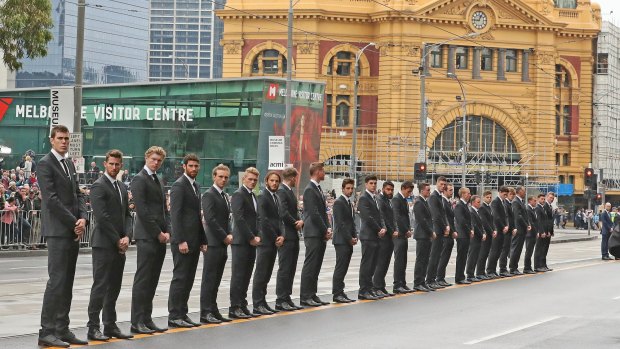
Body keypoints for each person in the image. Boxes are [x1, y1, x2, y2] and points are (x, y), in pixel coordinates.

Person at [37, 125, 89, 348]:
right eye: (60, 138)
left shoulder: (68, 163)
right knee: (56, 281)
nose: (64, 142)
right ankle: (46, 331)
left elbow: (78, 193)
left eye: (67, 138)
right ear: (52, 140)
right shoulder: (45, 164)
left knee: (67, 282)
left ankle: (62, 328)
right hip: (58, 231)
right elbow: (52, 200)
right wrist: (73, 222)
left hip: (72, 230)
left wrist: (83, 218)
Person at [87, 149, 133, 341]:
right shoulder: (98, 186)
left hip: (119, 245)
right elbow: (102, 218)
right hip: (104, 244)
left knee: (114, 287)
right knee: (100, 286)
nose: (114, 167)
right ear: (105, 164)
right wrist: (117, 240)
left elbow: (127, 216)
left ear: (121, 165)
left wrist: (128, 237)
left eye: (117, 164)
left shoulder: (122, 187)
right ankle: (93, 327)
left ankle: (110, 325)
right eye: (111, 164)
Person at [130, 146, 171, 335]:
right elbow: (143, 210)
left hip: (159, 237)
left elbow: (164, 209)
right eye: (153, 159)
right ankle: (137, 320)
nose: (156, 162)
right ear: (146, 158)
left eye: (159, 160)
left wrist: (167, 230)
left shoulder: (158, 180)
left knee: (153, 280)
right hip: (147, 236)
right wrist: (158, 233)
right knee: (143, 279)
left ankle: (147, 318)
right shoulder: (139, 179)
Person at [168, 154, 207, 328]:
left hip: (194, 240)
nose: (194, 169)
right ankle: (174, 315)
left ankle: (183, 312)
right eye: (191, 166)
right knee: (180, 277)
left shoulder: (196, 186)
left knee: (189, 278)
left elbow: (197, 216)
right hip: (183, 241)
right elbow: (175, 215)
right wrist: (180, 240)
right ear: (184, 166)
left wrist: (202, 239)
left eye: (196, 166)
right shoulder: (178, 186)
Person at [200, 164, 233, 324]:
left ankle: (213, 309)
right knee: (209, 278)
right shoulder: (209, 194)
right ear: (214, 177)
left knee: (217, 279)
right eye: (220, 176)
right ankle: (205, 312)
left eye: (226, 177)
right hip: (213, 242)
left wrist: (230, 234)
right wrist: (225, 236)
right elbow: (210, 219)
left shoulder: (224, 196)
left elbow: (226, 219)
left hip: (222, 243)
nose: (223, 179)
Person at [229, 167, 262, 319]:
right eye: (250, 179)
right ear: (244, 179)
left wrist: (258, 236)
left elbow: (257, 219)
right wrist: (251, 237)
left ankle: (242, 303)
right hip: (241, 241)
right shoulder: (238, 194)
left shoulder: (254, 196)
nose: (252, 182)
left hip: (252, 241)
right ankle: (234, 307)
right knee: (238, 275)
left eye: (255, 180)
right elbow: (239, 218)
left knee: (247, 274)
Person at [252, 171, 284, 315]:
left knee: (267, 273)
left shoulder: (276, 197)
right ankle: (257, 303)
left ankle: (263, 302)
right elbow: (264, 220)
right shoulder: (262, 197)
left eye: (277, 181)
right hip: (266, 240)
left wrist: (282, 235)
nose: (274, 183)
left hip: (274, 240)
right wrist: (275, 237)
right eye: (272, 181)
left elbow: (279, 219)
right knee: (261, 273)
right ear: (266, 182)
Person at [299, 162, 331, 307]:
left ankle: (312, 294)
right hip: (313, 232)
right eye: (323, 170)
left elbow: (323, 212)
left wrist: (328, 228)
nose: (324, 173)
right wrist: (325, 229)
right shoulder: (310, 189)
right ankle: (305, 296)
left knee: (316, 265)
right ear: (317, 172)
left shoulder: (317, 188)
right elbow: (314, 213)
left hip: (319, 232)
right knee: (311, 265)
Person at [275, 167, 304, 311]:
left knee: (291, 268)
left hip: (293, 236)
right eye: (295, 178)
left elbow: (293, 211)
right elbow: (283, 212)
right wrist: (296, 222)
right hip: (286, 235)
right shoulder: (282, 191)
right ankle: (281, 298)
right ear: (292, 177)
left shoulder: (290, 192)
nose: (296, 180)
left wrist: (299, 220)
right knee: (285, 268)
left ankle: (287, 296)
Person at [357, 175, 387, 299]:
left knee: (373, 264)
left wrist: (383, 227)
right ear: (366, 184)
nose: (373, 185)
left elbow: (380, 215)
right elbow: (367, 217)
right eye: (371, 183)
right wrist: (379, 229)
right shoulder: (364, 198)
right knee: (367, 264)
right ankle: (363, 290)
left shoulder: (375, 198)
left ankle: (369, 288)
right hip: (368, 235)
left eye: (375, 183)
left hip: (376, 236)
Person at [331, 178, 358, 303]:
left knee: (344, 267)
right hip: (341, 240)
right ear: (342, 189)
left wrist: (354, 235)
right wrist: (349, 238)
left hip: (348, 240)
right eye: (348, 188)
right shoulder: (339, 202)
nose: (350, 190)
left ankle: (341, 291)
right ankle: (337, 293)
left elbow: (351, 222)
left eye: (352, 188)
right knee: (340, 267)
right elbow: (340, 223)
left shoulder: (349, 203)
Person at [373, 181, 397, 296]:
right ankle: (376, 286)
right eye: (388, 189)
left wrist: (395, 229)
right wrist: (392, 231)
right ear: (383, 189)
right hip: (384, 236)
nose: (390, 192)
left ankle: (381, 287)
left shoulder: (389, 201)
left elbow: (392, 218)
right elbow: (383, 217)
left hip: (390, 237)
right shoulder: (379, 199)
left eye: (392, 190)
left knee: (386, 262)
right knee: (381, 262)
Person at [426, 177, 449, 290]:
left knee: (437, 256)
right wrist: (445, 227)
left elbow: (443, 214)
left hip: (441, 230)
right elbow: (436, 215)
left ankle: (434, 279)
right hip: (437, 230)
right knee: (434, 256)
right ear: (436, 184)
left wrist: (446, 226)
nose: (443, 186)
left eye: (444, 184)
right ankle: (430, 280)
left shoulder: (439, 197)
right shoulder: (434, 197)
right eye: (441, 184)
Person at [392, 181, 414, 294]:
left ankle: (403, 282)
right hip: (399, 234)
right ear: (403, 188)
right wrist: (406, 229)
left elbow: (406, 217)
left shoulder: (404, 200)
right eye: (408, 191)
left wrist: (408, 229)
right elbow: (397, 217)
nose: (409, 194)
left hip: (404, 233)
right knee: (399, 260)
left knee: (403, 260)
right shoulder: (396, 199)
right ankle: (397, 284)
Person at [413, 182, 435, 292]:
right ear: (422, 191)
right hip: (422, 234)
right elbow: (422, 220)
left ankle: (422, 281)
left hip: (426, 235)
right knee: (421, 259)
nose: (429, 192)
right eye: (427, 190)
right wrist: (431, 232)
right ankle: (418, 282)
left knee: (425, 259)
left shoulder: (425, 202)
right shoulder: (419, 202)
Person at [436, 183, 456, 287]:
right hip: (446, 233)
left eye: (452, 190)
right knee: (443, 257)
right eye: (450, 190)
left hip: (450, 233)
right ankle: (439, 278)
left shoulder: (448, 202)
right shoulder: (443, 201)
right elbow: (446, 219)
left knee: (446, 257)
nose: (452, 192)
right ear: (444, 191)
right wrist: (451, 230)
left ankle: (441, 277)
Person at [487, 187, 510, 277]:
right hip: (498, 229)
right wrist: (503, 226)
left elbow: (506, 216)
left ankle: (493, 270)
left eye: (506, 195)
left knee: (499, 251)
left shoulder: (503, 202)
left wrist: (507, 225)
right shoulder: (495, 202)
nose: (505, 196)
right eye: (504, 194)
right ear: (500, 192)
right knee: (494, 251)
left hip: (503, 230)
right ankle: (490, 270)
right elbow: (496, 217)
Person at [509, 186, 530, 275]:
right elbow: (518, 216)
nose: (525, 192)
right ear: (519, 191)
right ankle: (512, 268)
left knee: (519, 249)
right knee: (516, 249)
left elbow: (524, 215)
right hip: (519, 229)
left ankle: (515, 267)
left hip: (522, 229)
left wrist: (527, 224)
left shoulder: (520, 201)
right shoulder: (515, 201)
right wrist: (526, 225)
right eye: (524, 191)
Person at [476, 191, 496, 280]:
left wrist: (494, 230)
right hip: (486, 234)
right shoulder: (482, 207)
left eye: (490, 197)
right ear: (483, 197)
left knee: (486, 253)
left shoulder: (489, 207)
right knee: (482, 254)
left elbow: (492, 221)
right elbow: (484, 222)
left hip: (490, 234)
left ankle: (483, 272)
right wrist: (491, 231)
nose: (489, 199)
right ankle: (479, 272)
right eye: (487, 197)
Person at [454, 187, 473, 285]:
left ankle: (461, 276)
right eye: (468, 193)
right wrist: (469, 230)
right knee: (461, 257)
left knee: (464, 256)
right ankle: (459, 277)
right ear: (463, 194)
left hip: (465, 234)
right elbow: (461, 221)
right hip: (462, 235)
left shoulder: (465, 205)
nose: (469, 195)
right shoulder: (459, 205)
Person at [499, 187, 517, 277]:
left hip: (510, 230)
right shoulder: (505, 203)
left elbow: (512, 218)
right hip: (506, 230)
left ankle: (504, 268)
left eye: (513, 195)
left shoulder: (510, 204)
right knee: (504, 250)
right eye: (510, 194)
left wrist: (513, 228)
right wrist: (510, 228)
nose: (512, 196)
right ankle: (502, 269)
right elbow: (506, 217)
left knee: (506, 250)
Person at [467, 195, 486, 282]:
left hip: (478, 237)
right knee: (472, 256)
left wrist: (484, 232)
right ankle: (470, 274)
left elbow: (481, 225)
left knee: (475, 256)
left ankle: (472, 273)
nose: (480, 204)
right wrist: (481, 234)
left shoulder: (477, 212)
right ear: (473, 203)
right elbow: (474, 225)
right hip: (475, 238)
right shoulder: (471, 211)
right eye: (478, 202)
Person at [523, 196, 539, 274]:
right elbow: (531, 222)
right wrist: (536, 232)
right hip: (530, 234)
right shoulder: (528, 209)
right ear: (530, 201)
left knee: (530, 251)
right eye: (534, 201)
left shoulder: (533, 209)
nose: (535, 202)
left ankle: (529, 267)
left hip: (533, 233)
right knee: (528, 251)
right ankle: (527, 267)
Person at [539, 192, 555, 270]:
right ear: (546, 197)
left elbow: (551, 221)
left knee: (546, 248)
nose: (551, 199)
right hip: (545, 231)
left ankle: (544, 265)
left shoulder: (550, 206)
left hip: (548, 231)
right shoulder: (544, 206)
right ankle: (541, 265)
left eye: (552, 198)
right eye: (550, 197)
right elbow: (545, 221)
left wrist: (551, 231)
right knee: (543, 248)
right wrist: (547, 231)